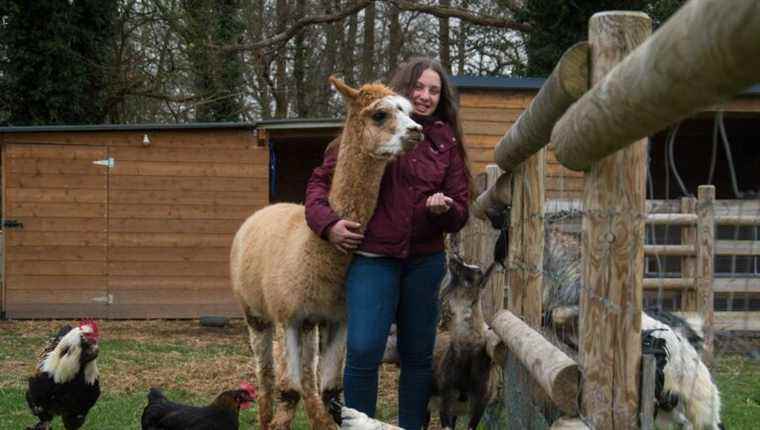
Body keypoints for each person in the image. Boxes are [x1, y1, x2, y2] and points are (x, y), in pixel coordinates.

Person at [304, 57, 473, 429]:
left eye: (434, 90)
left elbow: (462, 206)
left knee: (417, 356)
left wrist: (444, 210)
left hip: (424, 262)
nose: (426, 96)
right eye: (420, 88)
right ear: (404, 88)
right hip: (373, 258)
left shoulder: (444, 142)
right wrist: (328, 224)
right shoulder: (371, 125)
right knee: (363, 350)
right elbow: (319, 184)